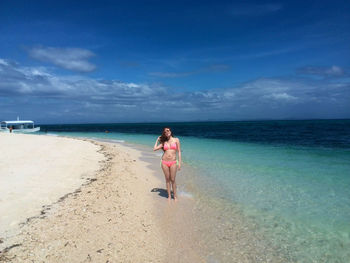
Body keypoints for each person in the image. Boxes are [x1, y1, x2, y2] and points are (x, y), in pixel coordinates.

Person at [153, 127, 181, 201]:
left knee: (173, 179)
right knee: (167, 180)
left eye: (168, 130)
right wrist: (157, 140)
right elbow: (154, 148)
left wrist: (180, 163)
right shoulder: (163, 143)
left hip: (173, 162)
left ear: (171, 131)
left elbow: (179, 152)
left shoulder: (176, 140)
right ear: (164, 134)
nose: (167, 132)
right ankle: (169, 196)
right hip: (164, 162)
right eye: (165, 132)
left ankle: (175, 196)